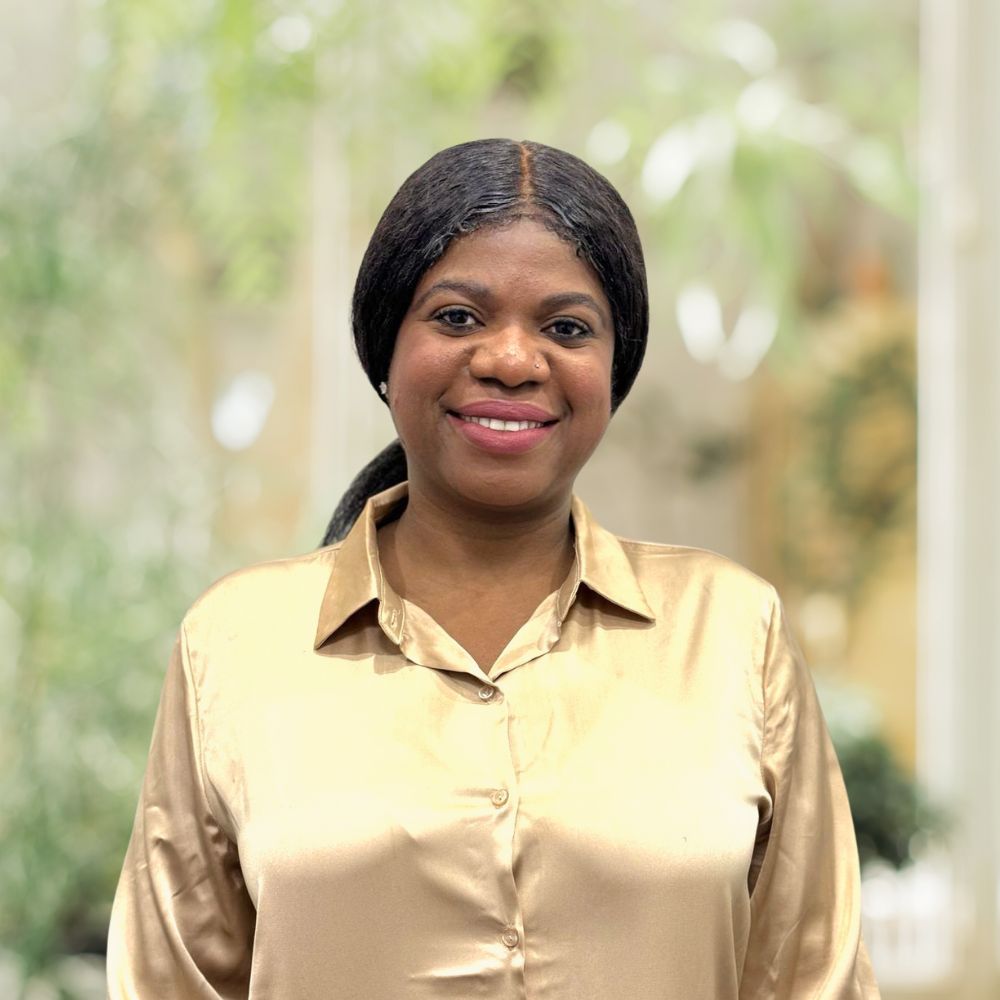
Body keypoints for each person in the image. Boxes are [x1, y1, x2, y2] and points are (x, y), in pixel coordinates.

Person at [107, 138, 881, 998]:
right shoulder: (240, 643)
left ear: (612, 367)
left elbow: (813, 979)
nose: (512, 360)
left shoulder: (733, 632)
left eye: (566, 327)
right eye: (458, 317)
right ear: (384, 349)